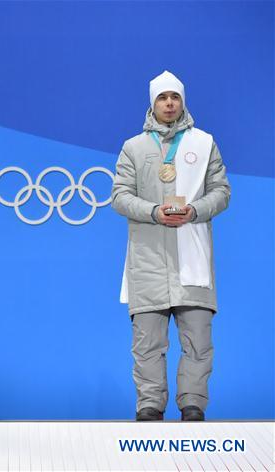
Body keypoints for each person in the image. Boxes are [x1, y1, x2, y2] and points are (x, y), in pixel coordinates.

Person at [112, 71, 230, 421]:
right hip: (148, 260)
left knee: (198, 342)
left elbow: (221, 192)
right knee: (147, 345)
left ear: (182, 101)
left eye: (174, 98)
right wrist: (152, 211)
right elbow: (119, 196)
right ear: (153, 102)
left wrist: (194, 210)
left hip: (192, 258)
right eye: (162, 98)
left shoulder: (204, 143)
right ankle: (149, 407)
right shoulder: (134, 147)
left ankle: (193, 405)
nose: (168, 104)